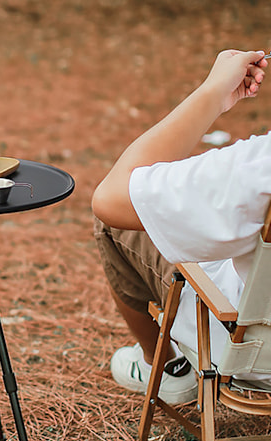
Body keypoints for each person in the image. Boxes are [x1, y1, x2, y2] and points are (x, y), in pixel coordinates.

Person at [92, 49, 271, 405]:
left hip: (255, 355)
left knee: (116, 224)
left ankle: (167, 371)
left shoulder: (259, 165)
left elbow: (111, 198)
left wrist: (212, 94)